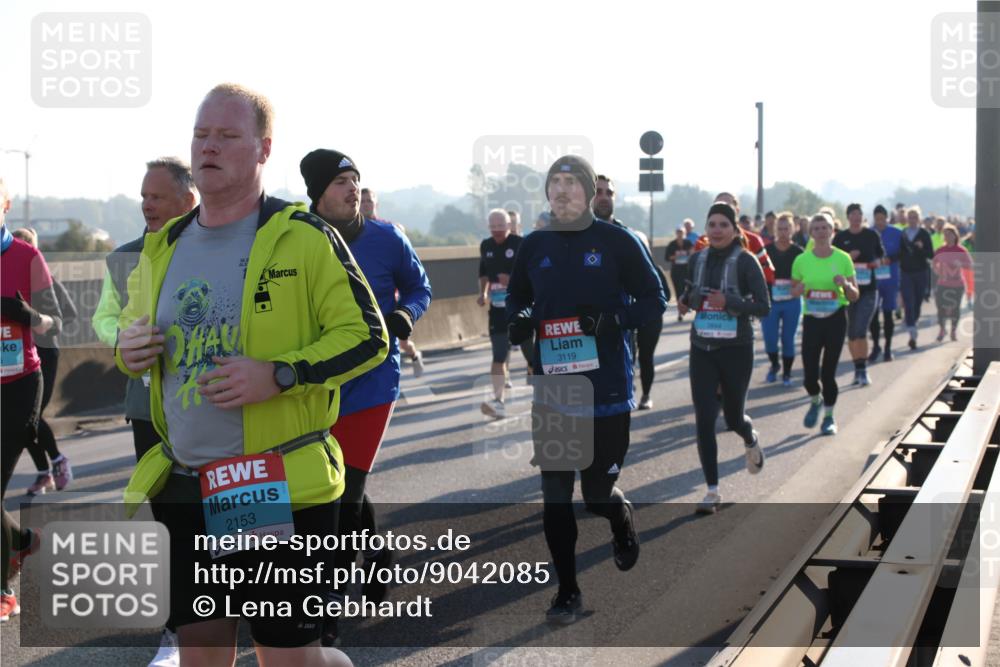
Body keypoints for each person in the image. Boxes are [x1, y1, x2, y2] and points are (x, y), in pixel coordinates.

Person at [115, 83, 382, 666]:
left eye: (227, 135)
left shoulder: (304, 236)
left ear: (263, 149)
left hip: (271, 484)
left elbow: (368, 336)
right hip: (185, 481)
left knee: (286, 658)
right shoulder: (162, 246)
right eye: (200, 135)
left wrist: (281, 374)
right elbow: (132, 335)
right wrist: (128, 349)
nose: (208, 147)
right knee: (201, 655)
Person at [506, 155, 664, 623]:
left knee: (595, 496)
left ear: (591, 191)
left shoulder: (617, 241)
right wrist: (519, 318)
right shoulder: (535, 244)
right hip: (556, 390)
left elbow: (656, 299)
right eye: (554, 182)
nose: (561, 190)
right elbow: (518, 296)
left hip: (607, 389)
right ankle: (568, 591)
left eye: (571, 182)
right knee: (555, 495)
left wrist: (614, 320)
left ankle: (618, 515)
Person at [300, 149, 432, 647]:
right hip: (319, 381)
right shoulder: (299, 239)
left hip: (374, 381)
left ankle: (328, 606)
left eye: (355, 179)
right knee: (332, 481)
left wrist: (405, 315)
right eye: (340, 181)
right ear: (318, 193)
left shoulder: (387, 237)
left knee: (346, 491)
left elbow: (420, 288)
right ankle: (375, 552)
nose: (352, 188)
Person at [93, 158, 198, 471]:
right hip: (146, 407)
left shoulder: (221, 252)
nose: (147, 205)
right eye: (144, 197)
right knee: (158, 496)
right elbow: (103, 317)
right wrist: (125, 339)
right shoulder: (122, 258)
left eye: (157, 197)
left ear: (188, 201)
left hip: (206, 403)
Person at [677, 203, 769, 514]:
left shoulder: (746, 261)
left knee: (732, 419)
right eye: (712, 224)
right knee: (704, 419)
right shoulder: (697, 259)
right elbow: (690, 293)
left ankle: (749, 436)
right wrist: (685, 302)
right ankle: (712, 491)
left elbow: (763, 306)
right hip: (702, 348)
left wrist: (728, 301)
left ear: (734, 229)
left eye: (723, 225)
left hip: (736, 349)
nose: (716, 230)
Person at [1, 179, 62, 623]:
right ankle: (21, 541)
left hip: (20, 384)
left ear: (5, 204)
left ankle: (4, 589)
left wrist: (28, 316)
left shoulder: (26, 256)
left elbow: (59, 321)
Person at [10, 228, 78, 495]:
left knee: (32, 415)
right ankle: (44, 474)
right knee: (21, 419)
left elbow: (68, 314)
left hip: (45, 353)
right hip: (17, 355)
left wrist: (39, 323)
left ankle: (58, 461)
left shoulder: (46, 279)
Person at [593, 174, 668, 410]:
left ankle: (642, 394)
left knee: (638, 361)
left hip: (622, 324)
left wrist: (623, 317)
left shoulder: (626, 238)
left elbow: (657, 293)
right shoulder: (573, 236)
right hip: (584, 330)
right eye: (598, 192)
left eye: (609, 193)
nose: (604, 197)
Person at [791, 214, 860, 436]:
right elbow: (793, 290)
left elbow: (854, 295)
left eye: (825, 228)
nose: (821, 232)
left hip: (835, 319)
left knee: (828, 374)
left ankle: (829, 417)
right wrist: (798, 290)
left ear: (832, 231)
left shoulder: (843, 258)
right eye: (817, 228)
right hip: (812, 319)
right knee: (809, 376)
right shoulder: (802, 260)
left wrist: (846, 284)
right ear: (811, 233)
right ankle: (815, 399)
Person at [361, 187, 425, 377]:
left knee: (401, 342)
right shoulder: (351, 232)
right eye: (362, 201)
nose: (366, 204)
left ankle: (414, 355)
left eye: (369, 201)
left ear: (376, 204)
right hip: (368, 297)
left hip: (392, 297)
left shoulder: (389, 229)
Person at [832, 203, 885, 386]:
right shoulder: (841, 237)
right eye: (853, 214)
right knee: (852, 332)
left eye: (859, 214)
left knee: (861, 329)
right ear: (848, 217)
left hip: (868, 289)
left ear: (863, 217)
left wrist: (876, 262)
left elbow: (881, 256)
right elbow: (832, 261)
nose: (856, 217)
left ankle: (863, 370)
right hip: (846, 291)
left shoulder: (871, 235)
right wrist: (848, 257)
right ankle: (857, 368)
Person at [477, 209, 523, 418]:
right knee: (499, 354)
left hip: (521, 309)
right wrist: (483, 293)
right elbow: (483, 273)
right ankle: (499, 402)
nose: (497, 231)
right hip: (497, 309)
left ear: (509, 226)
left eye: (500, 226)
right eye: (493, 227)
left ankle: (547, 399)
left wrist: (511, 280)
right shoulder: (486, 245)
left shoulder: (520, 244)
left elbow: (531, 275)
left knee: (532, 356)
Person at [761, 213, 803, 386]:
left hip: (791, 301)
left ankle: (787, 373)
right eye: (780, 229)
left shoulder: (798, 252)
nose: (783, 232)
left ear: (793, 229)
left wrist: (799, 287)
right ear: (775, 230)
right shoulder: (766, 251)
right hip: (771, 301)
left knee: (788, 339)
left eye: (786, 229)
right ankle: (774, 365)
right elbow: (758, 274)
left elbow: (806, 276)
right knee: (770, 339)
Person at [869, 204, 902, 362]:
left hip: (890, 279)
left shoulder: (896, 233)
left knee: (888, 314)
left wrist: (891, 259)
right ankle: (876, 346)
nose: (880, 222)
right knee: (873, 315)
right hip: (873, 280)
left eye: (882, 219)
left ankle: (888, 348)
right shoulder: (868, 233)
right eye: (877, 219)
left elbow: (904, 252)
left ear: (887, 218)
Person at [898, 206, 935, 349]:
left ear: (919, 219)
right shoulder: (903, 234)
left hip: (921, 272)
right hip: (906, 272)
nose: (912, 220)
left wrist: (920, 248)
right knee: (908, 301)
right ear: (907, 219)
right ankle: (912, 331)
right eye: (910, 217)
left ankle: (913, 322)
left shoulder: (924, 234)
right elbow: (899, 252)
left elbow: (930, 254)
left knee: (918, 301)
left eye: (915, 217)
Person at [932, 224, 973, 342]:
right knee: (940, 307)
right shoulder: (940, 250)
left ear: (955, 236)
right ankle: (942, 329)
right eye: (945, 235)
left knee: (955, 308)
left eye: (950, 234)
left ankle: (953, 331)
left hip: (957, 284)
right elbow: (934, 263)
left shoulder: (961, 250)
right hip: (942, 283)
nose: (948, 237)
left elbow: (970, 265)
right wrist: (937, 270)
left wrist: (961, 264)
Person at [665, 226, 695, 321]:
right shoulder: (672, 244)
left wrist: (687, 253)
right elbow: (667, 257)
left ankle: (688, 305)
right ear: (676, 233)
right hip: (676, 271)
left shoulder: (688, 243)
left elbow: (693, 254)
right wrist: (676, 256)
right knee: (678, 291)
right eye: (678, 232)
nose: (680, 234)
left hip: (686, 270)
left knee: (687, 289)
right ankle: (680, 312)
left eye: (681, 232)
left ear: (684, 233)